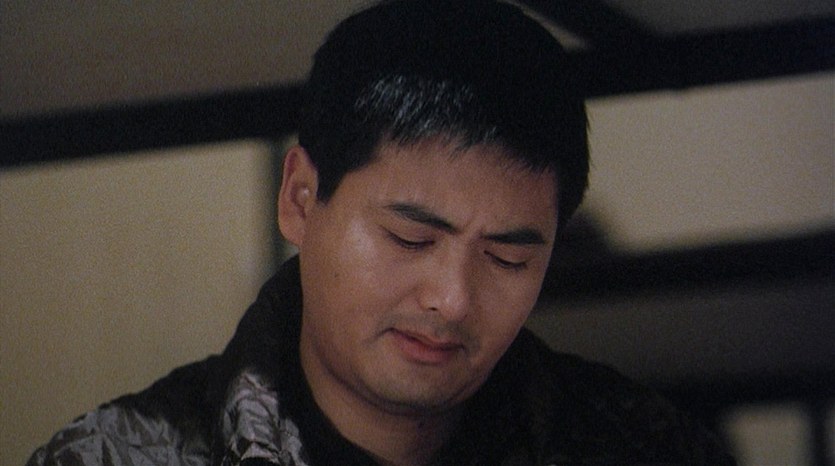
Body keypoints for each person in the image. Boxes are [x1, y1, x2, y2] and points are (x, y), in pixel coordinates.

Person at [28, 1, 735, 465]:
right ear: (301, 199)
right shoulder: (118, 457)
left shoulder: (648, 450)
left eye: (507, 258)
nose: (453, 299)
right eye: (409, 239)